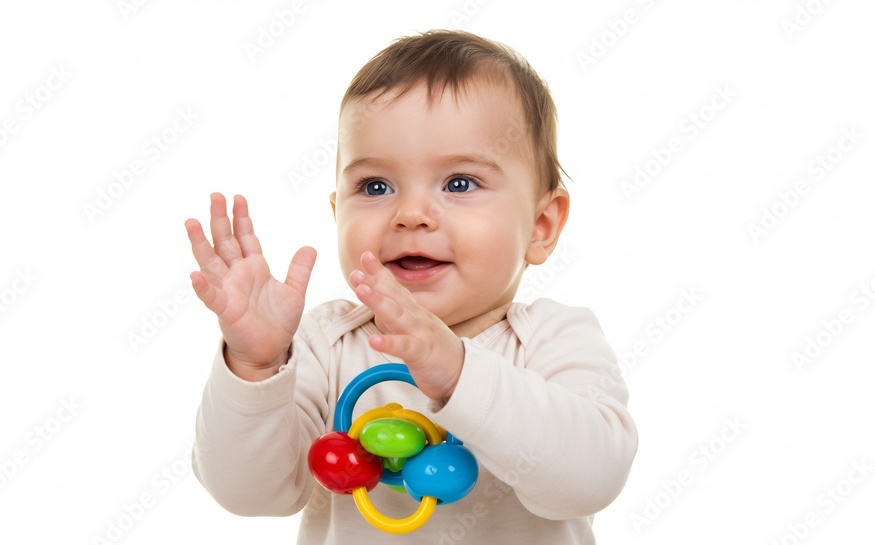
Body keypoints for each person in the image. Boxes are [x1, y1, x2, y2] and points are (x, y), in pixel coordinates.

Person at [186, 29, 638, 544]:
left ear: (540, 226)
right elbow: (248, 494)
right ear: (337, 214)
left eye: (459, 183)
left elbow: (591, 480)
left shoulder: (554, 339)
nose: (412, 214)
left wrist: (459, 373)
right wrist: (256, 367)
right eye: (375, 186)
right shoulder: (323, 343)